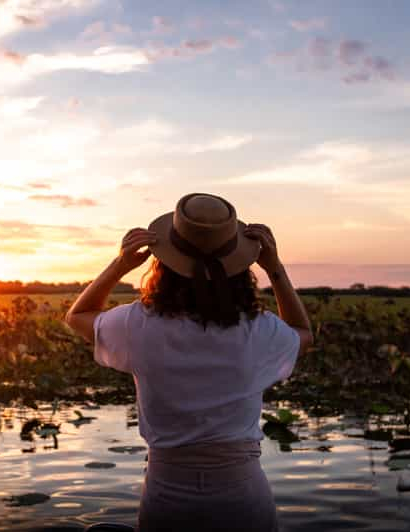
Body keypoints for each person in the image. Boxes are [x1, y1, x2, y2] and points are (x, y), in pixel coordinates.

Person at [65, 192, 313, 532]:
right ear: (241, 267)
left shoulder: (136, 324)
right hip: (243, 500)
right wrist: (275, 268)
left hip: (167, 499)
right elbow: (303, 333)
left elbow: (78, 315)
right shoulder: (260, 329)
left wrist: (120, 264)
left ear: (162, 263)